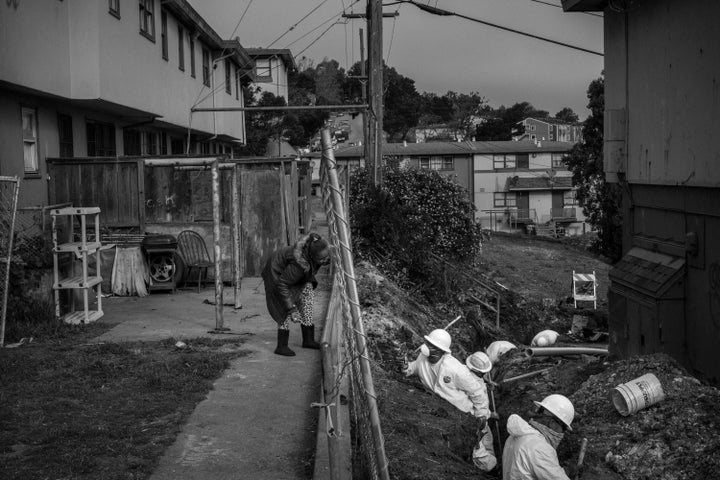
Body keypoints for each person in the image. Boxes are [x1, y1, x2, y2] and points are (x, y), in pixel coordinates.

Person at [404, 329, 498, 472]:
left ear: (441, 351)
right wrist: (405, 368)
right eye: (427, 343)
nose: (426, 347)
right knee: (477, 444)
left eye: (431, 345)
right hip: (450, 413)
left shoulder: (456, 370)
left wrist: (482, 416)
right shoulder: (422, 357)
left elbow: (477, 392)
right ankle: (491, 465)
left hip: (468, 414)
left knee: (479, 444)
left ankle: (493, 468)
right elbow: (413, 369)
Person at [262, 232, 331, 356]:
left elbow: (308, 273)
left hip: (292, 275)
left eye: (327, 257)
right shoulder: (299, 265)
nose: (326, 260)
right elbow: (282, 285)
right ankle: (281, 346)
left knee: (307, 291)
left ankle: (308, 339)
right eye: (322, 259)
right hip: (276, 274)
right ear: (312, 256)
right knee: (281, 307)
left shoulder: (315, 252)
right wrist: (291, 309)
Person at [502, 394, 575, 480]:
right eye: (563, 429)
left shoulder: (515, 436)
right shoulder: (540, 447)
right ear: (553, 424)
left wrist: (561, 472)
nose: (562, 434)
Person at [465, 351, 499, 473]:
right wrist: (490, 415)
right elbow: (479, 406)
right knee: (482, 447)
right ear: (481, 371)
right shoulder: (473, 384)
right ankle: (491, 468)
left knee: (488, 443)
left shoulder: (466, 374)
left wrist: (486, 384)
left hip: (482, 418)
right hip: (478, 421)